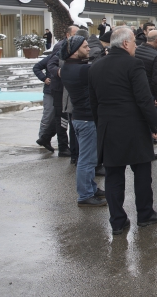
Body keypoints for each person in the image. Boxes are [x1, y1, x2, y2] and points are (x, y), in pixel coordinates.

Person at [88, 27, 157, 234]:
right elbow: (144, 98)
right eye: (133, 42)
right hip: (133, 128)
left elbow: (93, 102)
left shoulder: (96, 66)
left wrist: (101, 125)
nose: (136, 46)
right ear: (125, 44)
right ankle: (145, 214)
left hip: (108, 128)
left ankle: (117, 221)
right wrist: (155, 125)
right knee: (141, 173)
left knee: (113, 177)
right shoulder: (133, 64)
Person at [61, 35, 106, 207]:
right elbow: (100, 71)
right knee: (87, 160)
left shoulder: (68, 67)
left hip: (80, 118)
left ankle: (91, 188)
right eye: (85, 46)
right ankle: (85, 195)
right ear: (74, 51)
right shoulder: (81, 70)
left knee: (88, 158)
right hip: (87, 120)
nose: (88, 49)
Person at [47, 25, 79, 158]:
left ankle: (46, 137)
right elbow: (51, 64)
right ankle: (62, 147)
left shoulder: (78, 47)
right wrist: (60, 72)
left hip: (70, 89)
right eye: (75, 34)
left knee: (70, 119)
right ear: (68, 35)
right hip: (60, 90)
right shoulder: (61, 47)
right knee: (61, 119)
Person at [135, 30, 157, 145]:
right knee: (151, 118)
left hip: (137, 89)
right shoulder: (156, 56)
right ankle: (150, 141)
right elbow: (156, 78)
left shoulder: (137, 50)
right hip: (149, 92)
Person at [33, 54, 57, 153]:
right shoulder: (52, 57)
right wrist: (44, 78)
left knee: (59, 117)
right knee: (48, 115)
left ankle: (46, 138)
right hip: (50, 92)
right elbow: (36, 67)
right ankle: (42, 137)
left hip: (60, 91)